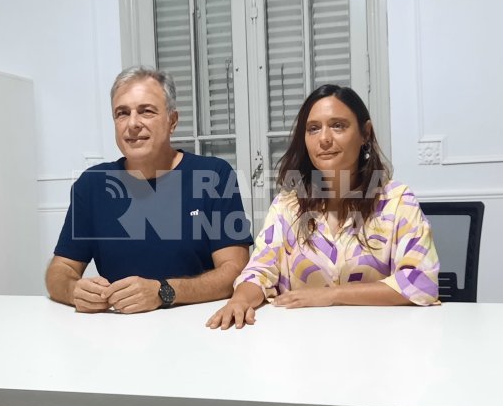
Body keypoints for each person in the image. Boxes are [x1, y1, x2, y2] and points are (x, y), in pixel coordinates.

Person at [207, 84, 440, 330]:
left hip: (379, 336)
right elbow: (259, 271)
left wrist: (331, 295)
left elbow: (421, 282)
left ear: (365, 134)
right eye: (313, 129)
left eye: (338, 126)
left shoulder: (397, 200)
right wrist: (240, 300)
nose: (324, 139)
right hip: (303, 338)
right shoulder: (287, 206)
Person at [47, 66, 252, 313]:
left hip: (199, 323)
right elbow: (60, 270)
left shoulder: (214, 175)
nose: (133, 123)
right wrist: (73, 290)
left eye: (146, 111)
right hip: (119, 327)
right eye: (122, 113)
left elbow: (235, 271)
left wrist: (163, 292)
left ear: (172, 121)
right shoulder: (92, 184)